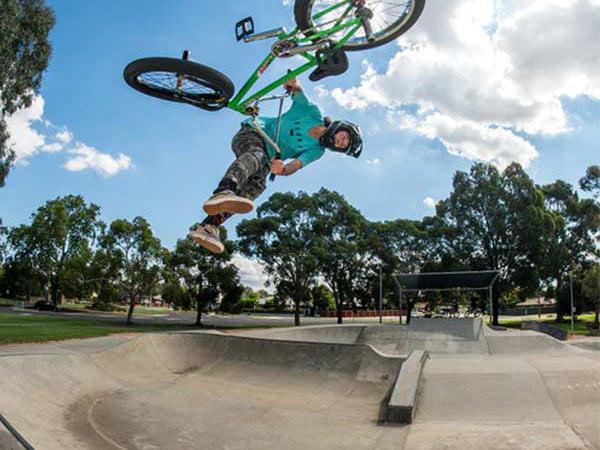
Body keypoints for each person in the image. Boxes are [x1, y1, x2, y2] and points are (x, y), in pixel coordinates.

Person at [189, 77, 363, 253]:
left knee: (257, 185)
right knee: (256, 155)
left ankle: (208, 227)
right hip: (253, 133)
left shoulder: (317, 150)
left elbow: (293, 167)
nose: (339, 142)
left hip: (267, 157)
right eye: (344, 137)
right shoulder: (312, 113)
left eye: (341, 145)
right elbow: (297, 90)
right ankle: (224, 190)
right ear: (340, 126)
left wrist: (281, 169)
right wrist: (293, 82)